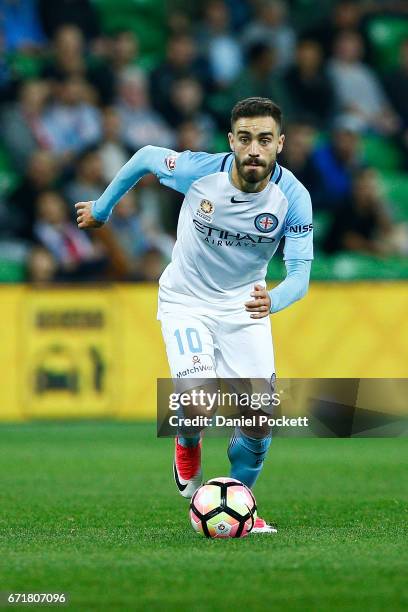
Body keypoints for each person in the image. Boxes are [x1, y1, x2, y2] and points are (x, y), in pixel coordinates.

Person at [75, 97, 313, 534]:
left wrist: (273, 300)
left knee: (259, 422)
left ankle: (242, 507)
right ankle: (188, 442)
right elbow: (146, 158)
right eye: (245, 139)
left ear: (280, 143)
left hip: (245, 307)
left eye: (264, 140)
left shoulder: (293, 198)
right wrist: (103, 209)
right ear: (231, 141)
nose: (254, 150)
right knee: (197, 402)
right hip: (186, 301)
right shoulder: (201, 171)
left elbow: (299, 274)